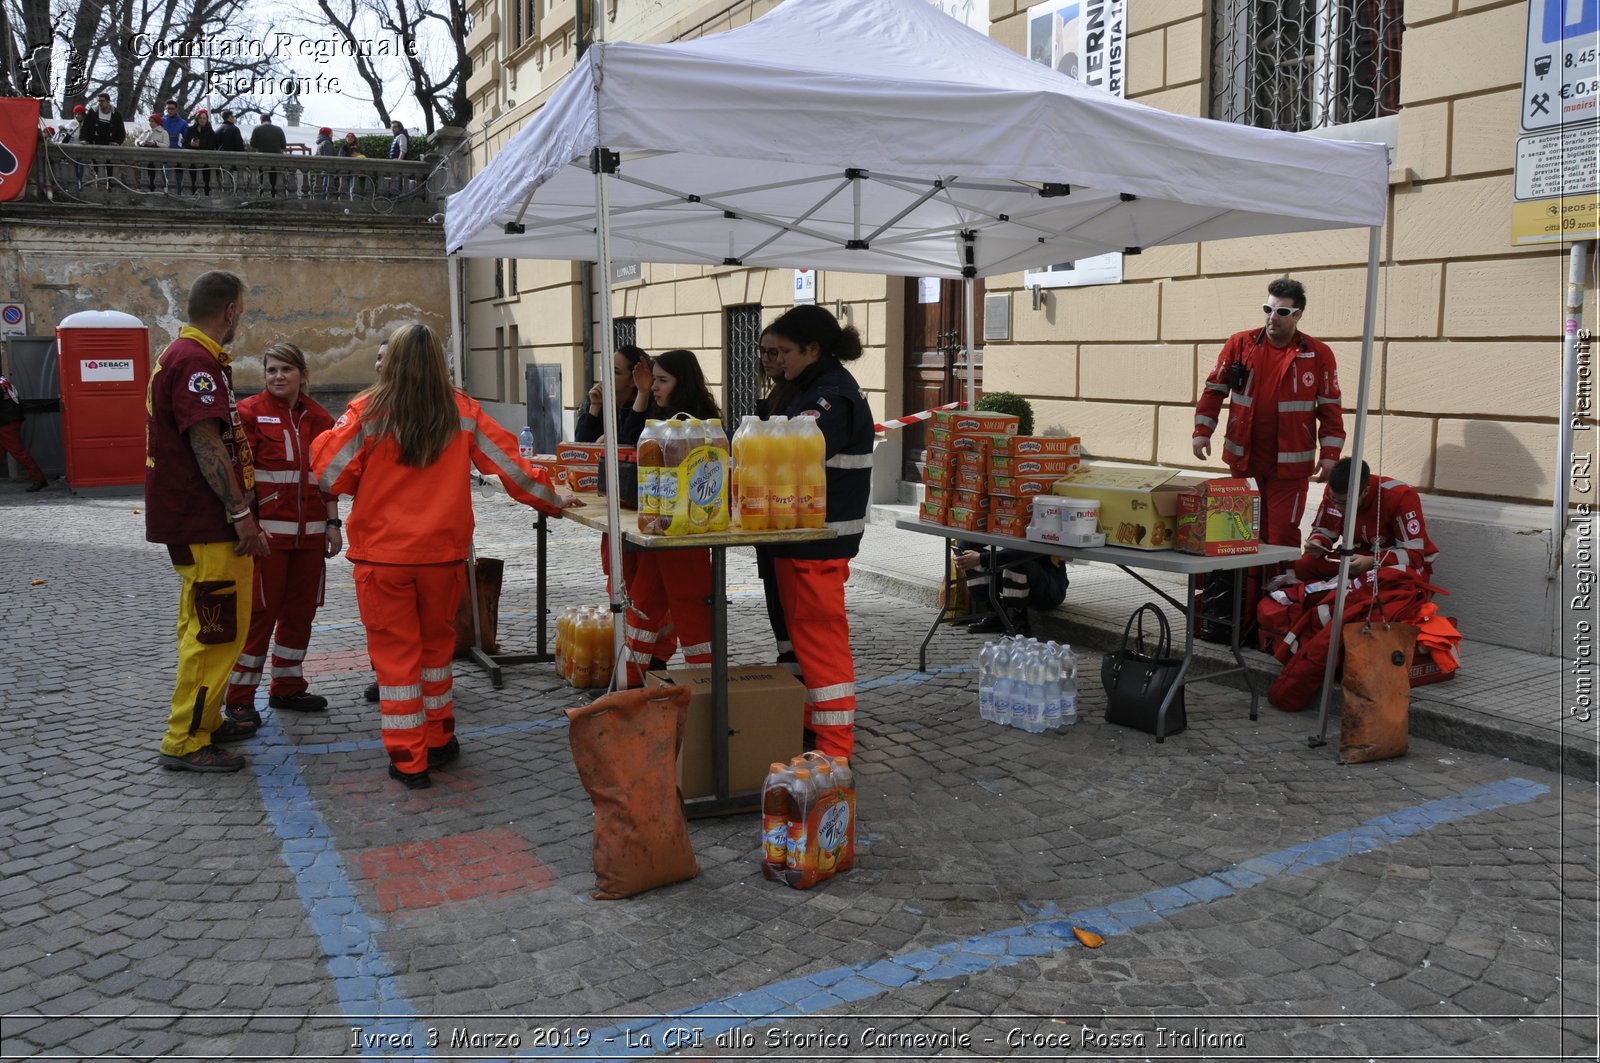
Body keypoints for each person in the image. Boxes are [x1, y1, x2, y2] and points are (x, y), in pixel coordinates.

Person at [312, 324, 572, 790]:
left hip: (384, 559)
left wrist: (362, 475)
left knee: (396, 664)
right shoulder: (463, 411)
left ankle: (409, 759)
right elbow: (511, 466)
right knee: (436, 655)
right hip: (443, 558)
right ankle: (439, 738)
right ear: (440, 362)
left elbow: (329, 473)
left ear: (388, 363)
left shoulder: (366, 411)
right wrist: (552, 501)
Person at [145, 270, 269, 773]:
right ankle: (187, 738)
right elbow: (205, 442)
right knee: (215, 634)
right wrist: (241, 514)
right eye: (243, 307)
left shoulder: (185, 354)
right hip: (208, 525)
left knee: (202, 624)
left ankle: (207, 718)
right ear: (231, 311)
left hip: (194, 523)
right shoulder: (196, 361)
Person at [758, 304, 874, 760]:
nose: (777, 359)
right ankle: (809, 726)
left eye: (785, 350)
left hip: (820, 538)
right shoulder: (806, 387)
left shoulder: (830, 396)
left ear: (813, 349)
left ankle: (834, 748)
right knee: (797, 637)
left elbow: (782, 453)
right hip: (797, 535)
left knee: (820, 641)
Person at [1259, 458, 1444, 711]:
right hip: (1353, 561)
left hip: (1392, 571)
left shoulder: (1400, 496)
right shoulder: (1336, 493)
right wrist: (1318, 542)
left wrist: (1372, 561)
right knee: (1302, 565)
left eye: (1344, 503)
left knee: (1371, 585)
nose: (1339, 507)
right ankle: (1314, 601)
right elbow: (1325, 527)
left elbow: (1415, 557)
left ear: (1365, 491)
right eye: (1335, 501)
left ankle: (1324, 607)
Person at [223, 342, 339, 729]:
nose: (277, 377)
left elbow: (328, 478)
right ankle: (239, 699)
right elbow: (239, 480)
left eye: (286, 370)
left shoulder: (320, 418)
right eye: (271, 370)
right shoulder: (248, 413)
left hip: (309, 540)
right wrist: (247, 526)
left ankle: (287, 686)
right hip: (267, 540)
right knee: (260, 616)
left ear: (303, 374)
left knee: (300, 614)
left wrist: (333, 523)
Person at [1192, 278, 1344, 549]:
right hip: (1244, 458)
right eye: (1268, 309)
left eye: (1282, 312)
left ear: (1298, 315)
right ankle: (1246, 591)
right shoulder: (1240, 344)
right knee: (1242, 531)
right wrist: (1202, 432)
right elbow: (1214, 390)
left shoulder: (1318, 354)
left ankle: (1278, 590)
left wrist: (1330, 455)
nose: (1272, 317)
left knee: (1281, 533)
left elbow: (1330, 409)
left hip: (1290, 466)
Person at [613, 348, 722, 686]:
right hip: (659, 527)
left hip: (686, 532)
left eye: (662, 380)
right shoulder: (660, 414)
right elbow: (629, 442)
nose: (656, 386)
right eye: (654, 380)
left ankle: (704, 685)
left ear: (682, 382)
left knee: (690, 609)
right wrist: (643, 394)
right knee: (643, 602)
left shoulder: (699, 422)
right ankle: (631, 677)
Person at [953, 545, 1068, 635]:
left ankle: (1019, 625)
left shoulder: (1042, 522)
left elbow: (1021, 553)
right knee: (971, 556)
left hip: (1050, 591)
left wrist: (981, 558)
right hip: (1027, 579)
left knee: (1015, 562)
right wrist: (964, 550)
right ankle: (995, 615)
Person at [573, 344, 644, 442]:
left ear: (633, 380)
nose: (606, 375)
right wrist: (595, 406)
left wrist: (609, 439)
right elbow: (581, 446)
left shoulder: (643, 405)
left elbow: (631, 439)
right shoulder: (597, 401)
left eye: (615, 372)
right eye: (605, 369)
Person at [0, 356, 48, 491]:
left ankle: (39, 479)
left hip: (6, 424)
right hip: (10, 420)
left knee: (19, 452)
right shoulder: (4, 381)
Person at [249, 114, 286, 196]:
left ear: (261, 120)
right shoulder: (279, 129)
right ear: (270, 120)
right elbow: (283, 145)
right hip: (276, 159)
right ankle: (273, 195)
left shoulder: (257, 129)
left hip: (262, 158)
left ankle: (263, 194)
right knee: (274, 178)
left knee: (263, 177)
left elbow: (253, 144)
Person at [183, 110, 218, 195]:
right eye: (200, 118)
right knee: (192, 182)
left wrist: (199, 145)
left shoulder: (211, 132)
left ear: (207, 119)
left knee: (206, 183)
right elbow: (185, 145)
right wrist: (191, 144)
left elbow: (211, 147)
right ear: (197, 119)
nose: (202, 120)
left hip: (206, 162)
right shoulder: (190, 130)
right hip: (192, 161)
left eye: (204, 118)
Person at [160, 100, 188, 194]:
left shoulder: (183, 123)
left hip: (178, 157)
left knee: (178, 181)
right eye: (168, 108)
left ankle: (178, 196)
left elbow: (186, 139)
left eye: (172, 109)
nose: (170, 111)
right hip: (164, 155)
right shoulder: (162, 121)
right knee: (164, 179)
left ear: (176, 109)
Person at [313, 126, 336, 198]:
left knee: (323, 189)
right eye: (331, 133)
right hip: (327, 171)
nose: (332, 134)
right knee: (326, 190)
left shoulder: (321, 143)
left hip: (322, 171)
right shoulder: (326, 143)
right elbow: (329, 158)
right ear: (328, 134)